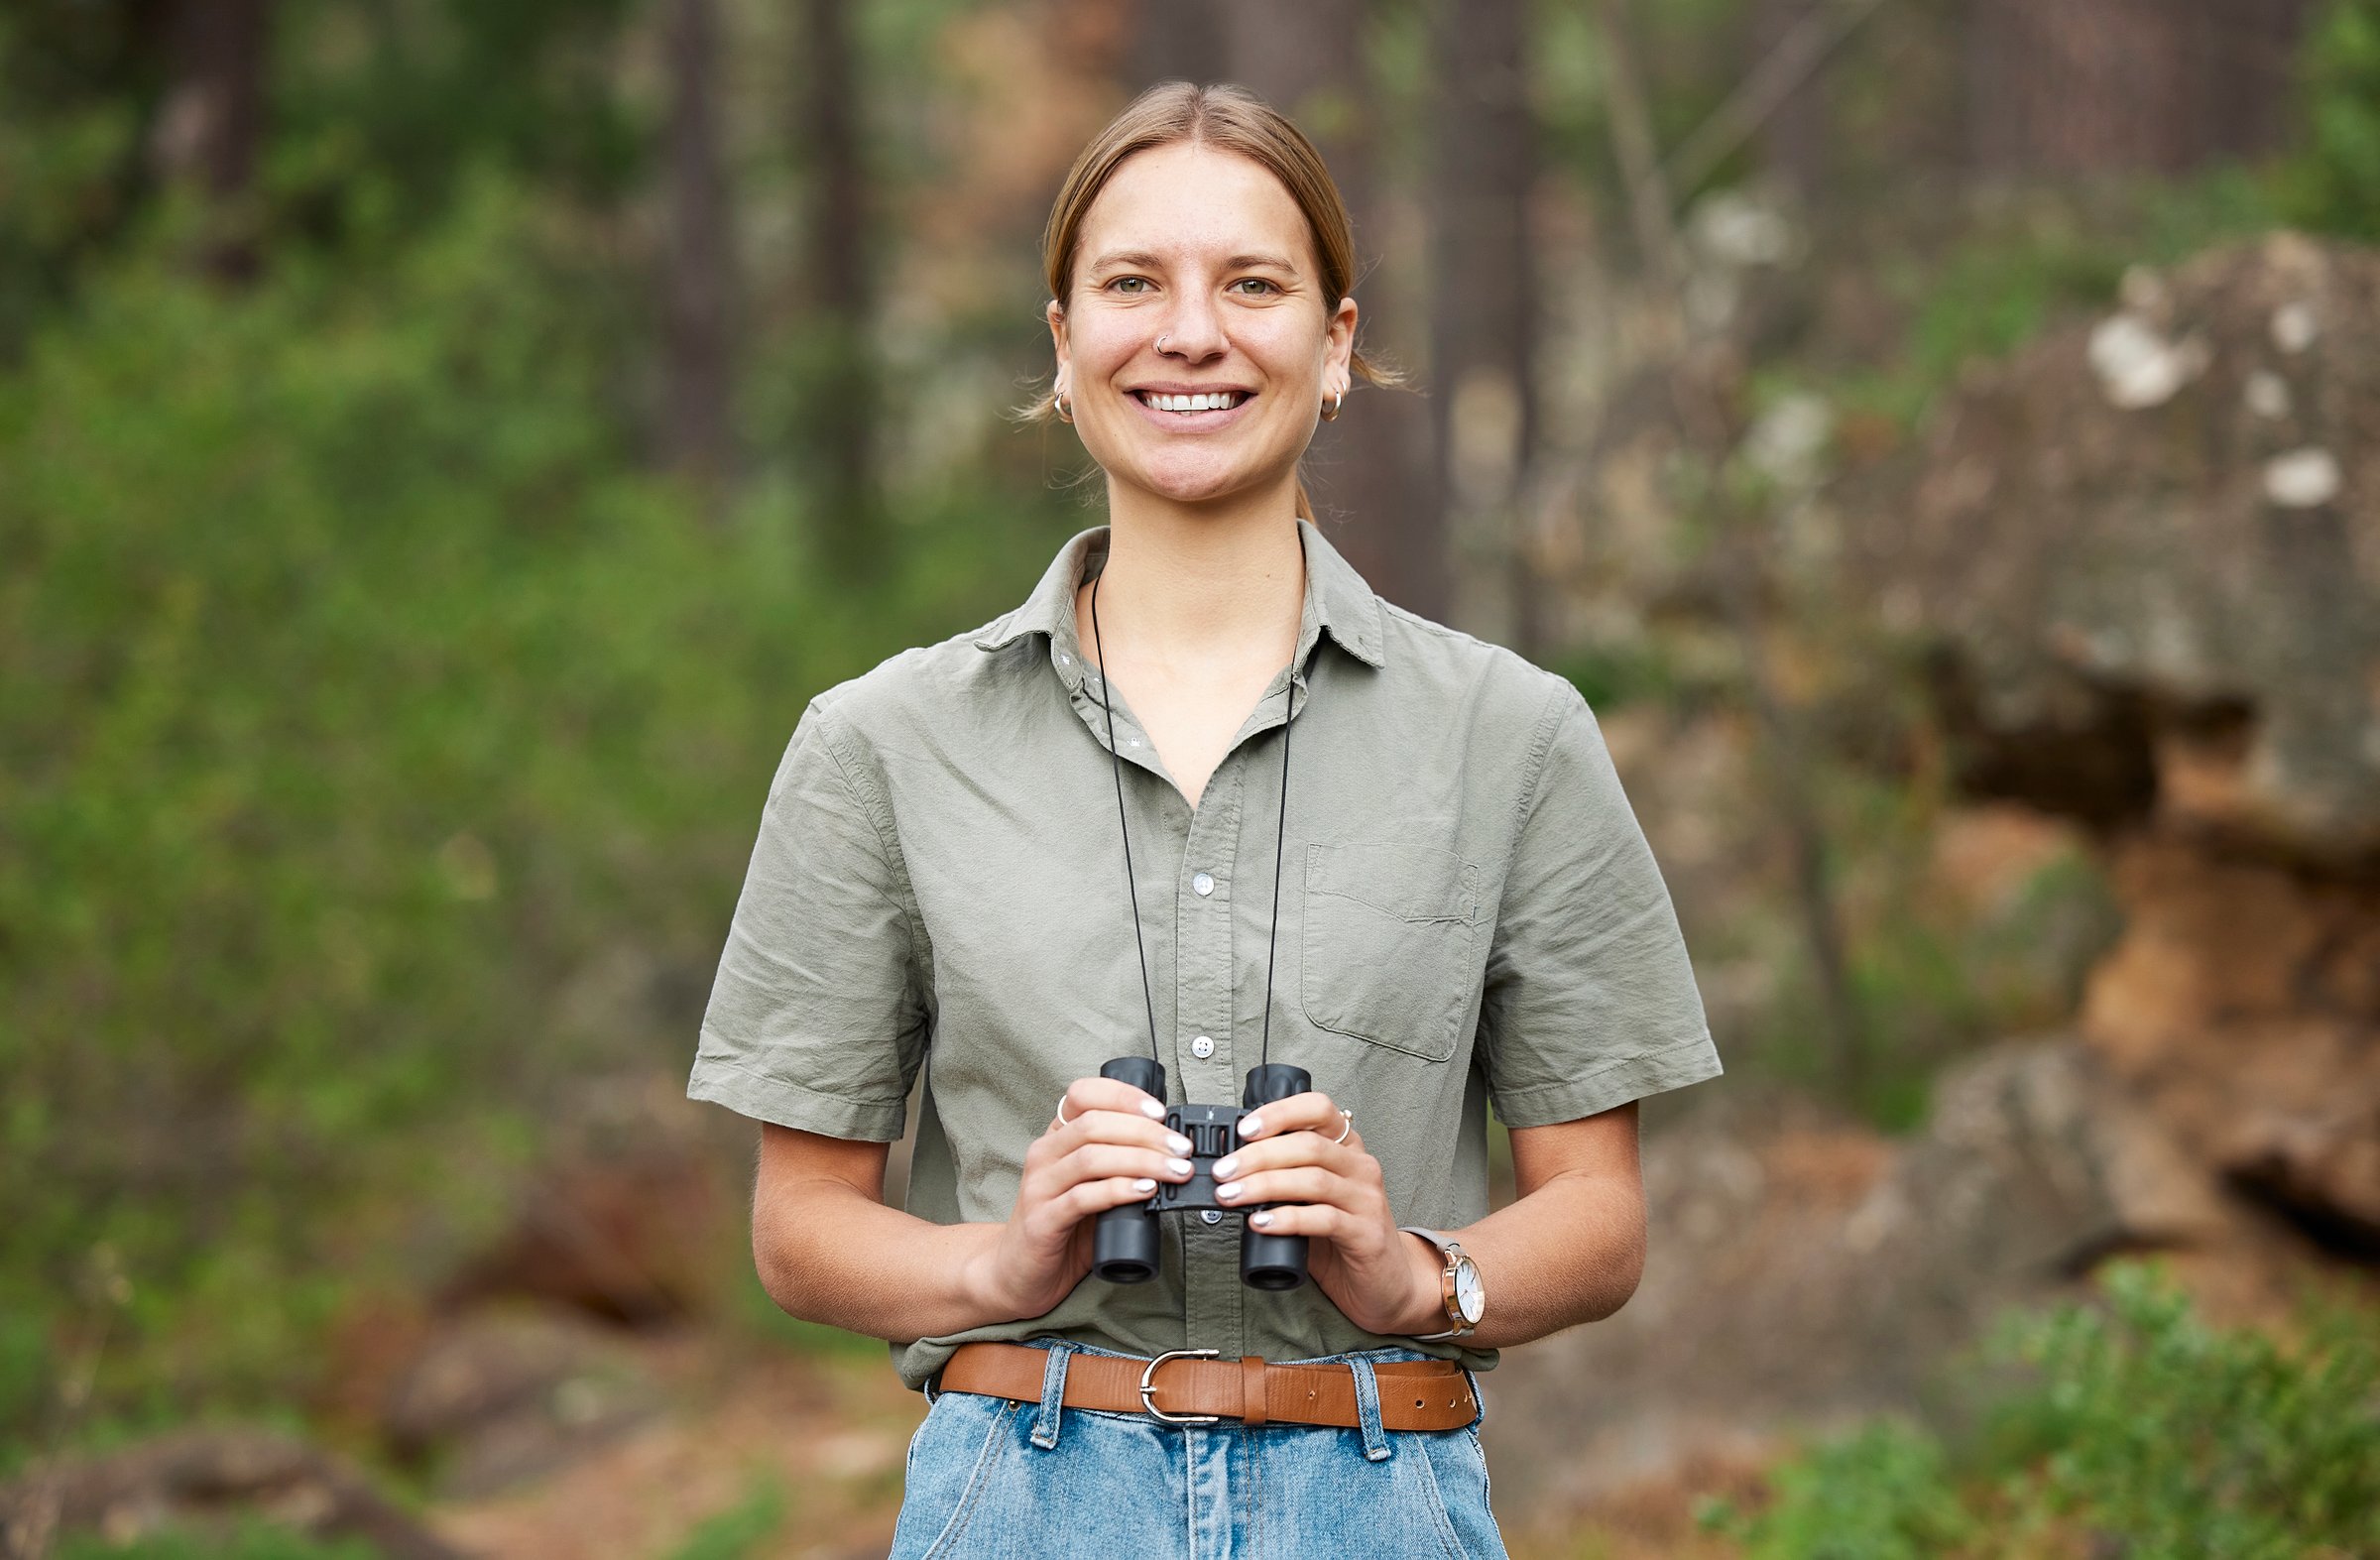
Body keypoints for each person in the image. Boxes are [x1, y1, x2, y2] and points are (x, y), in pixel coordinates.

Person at [686, 80, 1723, 1558]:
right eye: (1131, 284)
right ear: (1063, 342)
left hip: (1382, 1492)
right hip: (1022, 1488)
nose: (1190, 333)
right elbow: (799, 1228)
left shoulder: (1511, 735)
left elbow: (1600, 1214)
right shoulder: (883, 743)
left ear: (1337, 341)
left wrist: (1415, 1271)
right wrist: (1002, 1256)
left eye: (1252, 283)